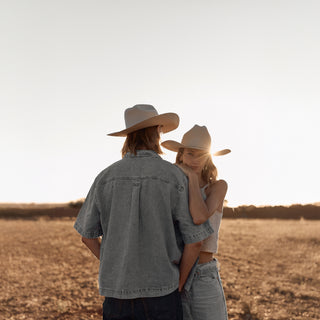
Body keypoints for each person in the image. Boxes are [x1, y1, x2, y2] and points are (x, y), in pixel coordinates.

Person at [73, 105, 214, 320]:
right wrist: (179, 283)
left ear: (128, 137)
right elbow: (195, 241)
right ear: (158, 130)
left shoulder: (105, 177)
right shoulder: (174, 176)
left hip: (116, 293)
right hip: (163, 292)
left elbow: (87, 237)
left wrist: (115, 264)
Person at [161, 124, 230, 320]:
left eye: (201, 155)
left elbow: (200, 216)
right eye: (190, 154)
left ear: (208, 157)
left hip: (203, 274)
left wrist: (191, 177)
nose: (195, 160)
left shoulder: (217, 187)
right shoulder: (173, 189)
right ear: (180, 155)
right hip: (174, 271)